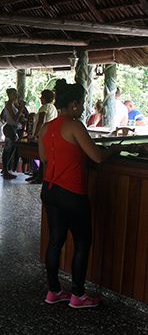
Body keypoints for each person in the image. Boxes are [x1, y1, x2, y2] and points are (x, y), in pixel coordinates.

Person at [38, 79, 135, 309]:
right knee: (82, 242)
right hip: (72, 193)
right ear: (73, 105)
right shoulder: (74, 125)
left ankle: (53, 291)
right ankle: (78, 295)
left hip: (49, 191)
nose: (83, 108)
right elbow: (98, 157)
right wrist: (115, 148)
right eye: (81, 104)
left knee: (55, 242)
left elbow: (43, 159)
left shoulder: (46, 127)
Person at [0, 88, 27, 179]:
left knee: (11, 149)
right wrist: (20, 109)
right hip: (10, 128)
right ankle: (5, 170)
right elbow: (14, 118)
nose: (16, 96)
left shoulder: (13, 105)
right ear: (10, 95)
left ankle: (7, 169)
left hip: (14, 128)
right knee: (8, 149)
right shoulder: (8, 105)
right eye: (14, 94)